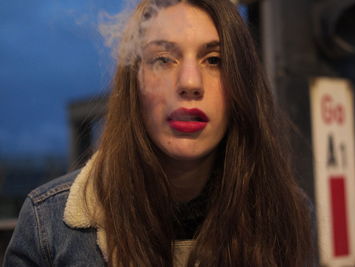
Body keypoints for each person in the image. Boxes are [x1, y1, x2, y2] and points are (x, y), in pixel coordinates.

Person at [4, 0, 314, 266]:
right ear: (133, 84)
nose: (190, 82)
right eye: (163, 59)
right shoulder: (48, 226)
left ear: (242, 84)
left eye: (214, 60)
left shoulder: (285, 213)